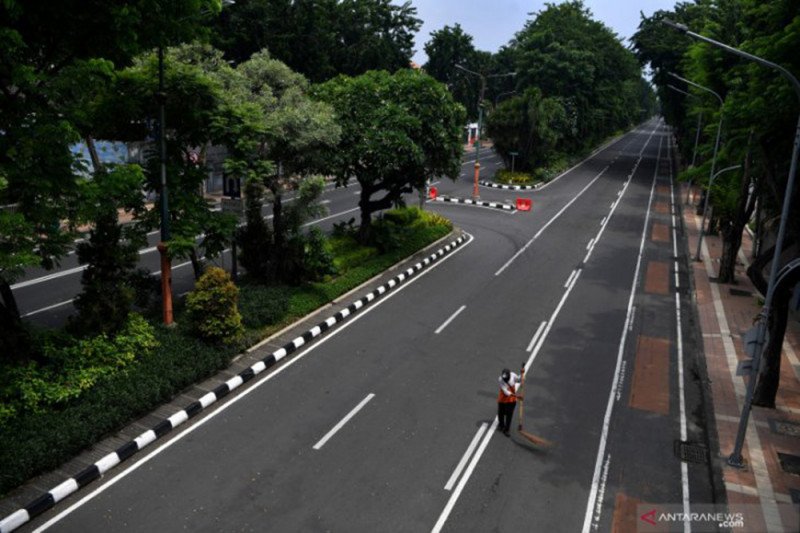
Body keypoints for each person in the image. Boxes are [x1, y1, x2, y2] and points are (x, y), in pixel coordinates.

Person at [497, 368, 522, 436]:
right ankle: (501, 425)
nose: (505, 379)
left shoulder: (513, 375)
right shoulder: (500, 379)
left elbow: (519, 380)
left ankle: (507, 429)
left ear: (509, 375)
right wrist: (516, 396)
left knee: (509, 415)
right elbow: (505, 392)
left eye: (506, 378)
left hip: (511, 400)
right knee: (500, 413)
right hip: (503, 398)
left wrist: (522, 373)